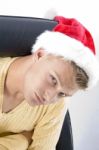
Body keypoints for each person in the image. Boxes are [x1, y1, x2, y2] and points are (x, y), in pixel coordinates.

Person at [0, 16, 99, 150]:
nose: (49, 97)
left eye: (62, 93)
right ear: (40, 55)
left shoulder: (57, 103)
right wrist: (22, 141)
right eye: (53, 80)